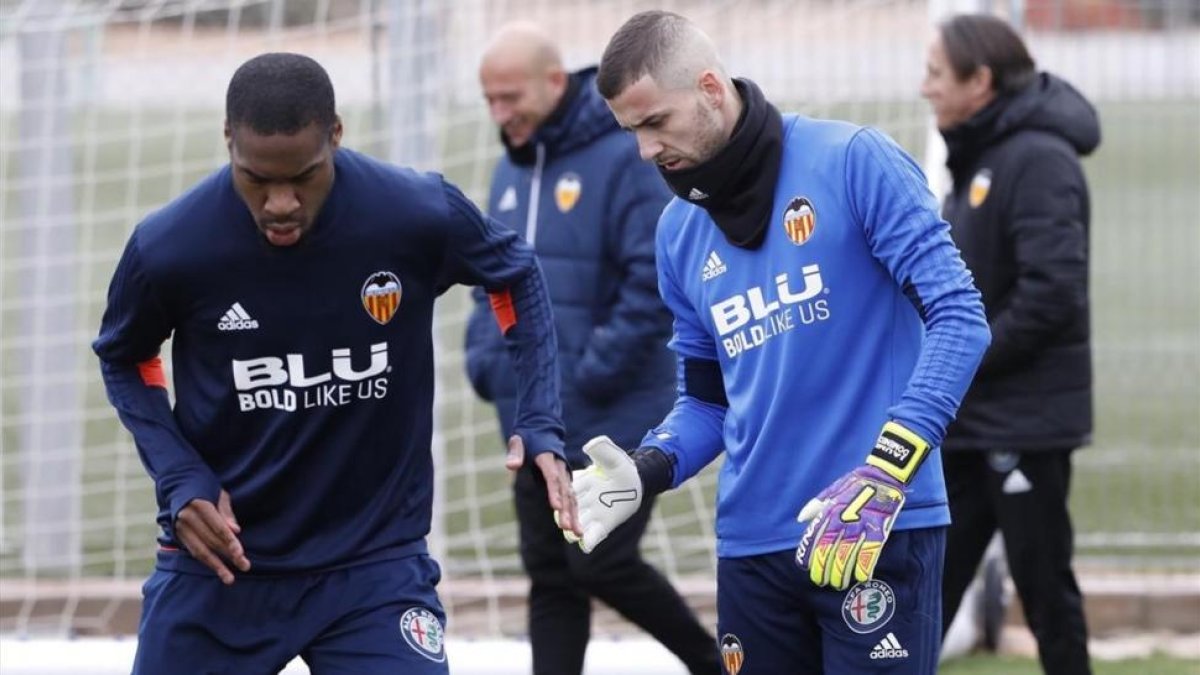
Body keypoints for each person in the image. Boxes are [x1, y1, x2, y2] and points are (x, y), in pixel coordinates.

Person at [91, 52, 579, 675]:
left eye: (303, 175)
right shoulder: (171, 245)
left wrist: (538, 416)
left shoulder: (413, 212)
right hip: (222, 564)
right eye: (256, 179)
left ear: (336, 136)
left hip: (373, 566)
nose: (280, 203)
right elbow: (126, 359)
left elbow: (515, 274)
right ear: (228, 141)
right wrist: (179, 476)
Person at [567, 10, 992, 675]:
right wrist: (646, 466)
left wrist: (889, 467)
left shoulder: (853, 161)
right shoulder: (678, 234)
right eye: (632, 132)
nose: (647, 151)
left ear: (710, 88)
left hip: (873, 524)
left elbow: (960, 315)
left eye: (655, 123)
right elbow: (708, 402)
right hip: (754, 546)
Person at [463, 21, 721, 675]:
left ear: (554, 83)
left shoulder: (623, 154)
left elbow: (650, 280)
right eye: (489, 99)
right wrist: (487, 359)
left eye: (510, 97)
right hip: (532, 420)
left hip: (612, 413)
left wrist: (585, 374)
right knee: (552, 573)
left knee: (596, 559)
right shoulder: (509, 167)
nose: (500, 113)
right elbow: (488, 278)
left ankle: (716, 663)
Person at [920, 14, 1098, 674]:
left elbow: (1052, 295)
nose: (924, 88)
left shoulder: (1037, 158)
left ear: (980, 80)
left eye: (936, 74)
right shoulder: (983, 156)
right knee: (924, 590)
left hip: (1025, 420)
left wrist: (961, 357)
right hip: (972, 419)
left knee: (1045, 588)